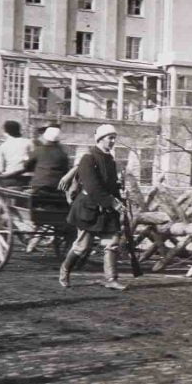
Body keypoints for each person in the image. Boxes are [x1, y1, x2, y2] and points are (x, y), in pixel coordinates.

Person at [59, 124, 128, 291]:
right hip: (88, 209)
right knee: (82, 246)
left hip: (106, 209)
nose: (113, 141)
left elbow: (111, 186)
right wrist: (113, 203)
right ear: (100, 139)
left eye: (114, 138)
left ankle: (111, 279)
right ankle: (65, 270)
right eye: (110, 138)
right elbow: (92, 187)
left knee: (112, 242)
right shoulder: (88, 159)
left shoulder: (110, 160)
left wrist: (120, 199)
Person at [0, 120, 33, 187]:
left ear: (6, 132)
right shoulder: (29, 142)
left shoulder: (3, 146)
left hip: (10, 179)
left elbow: (0, 169)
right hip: (28, 178)